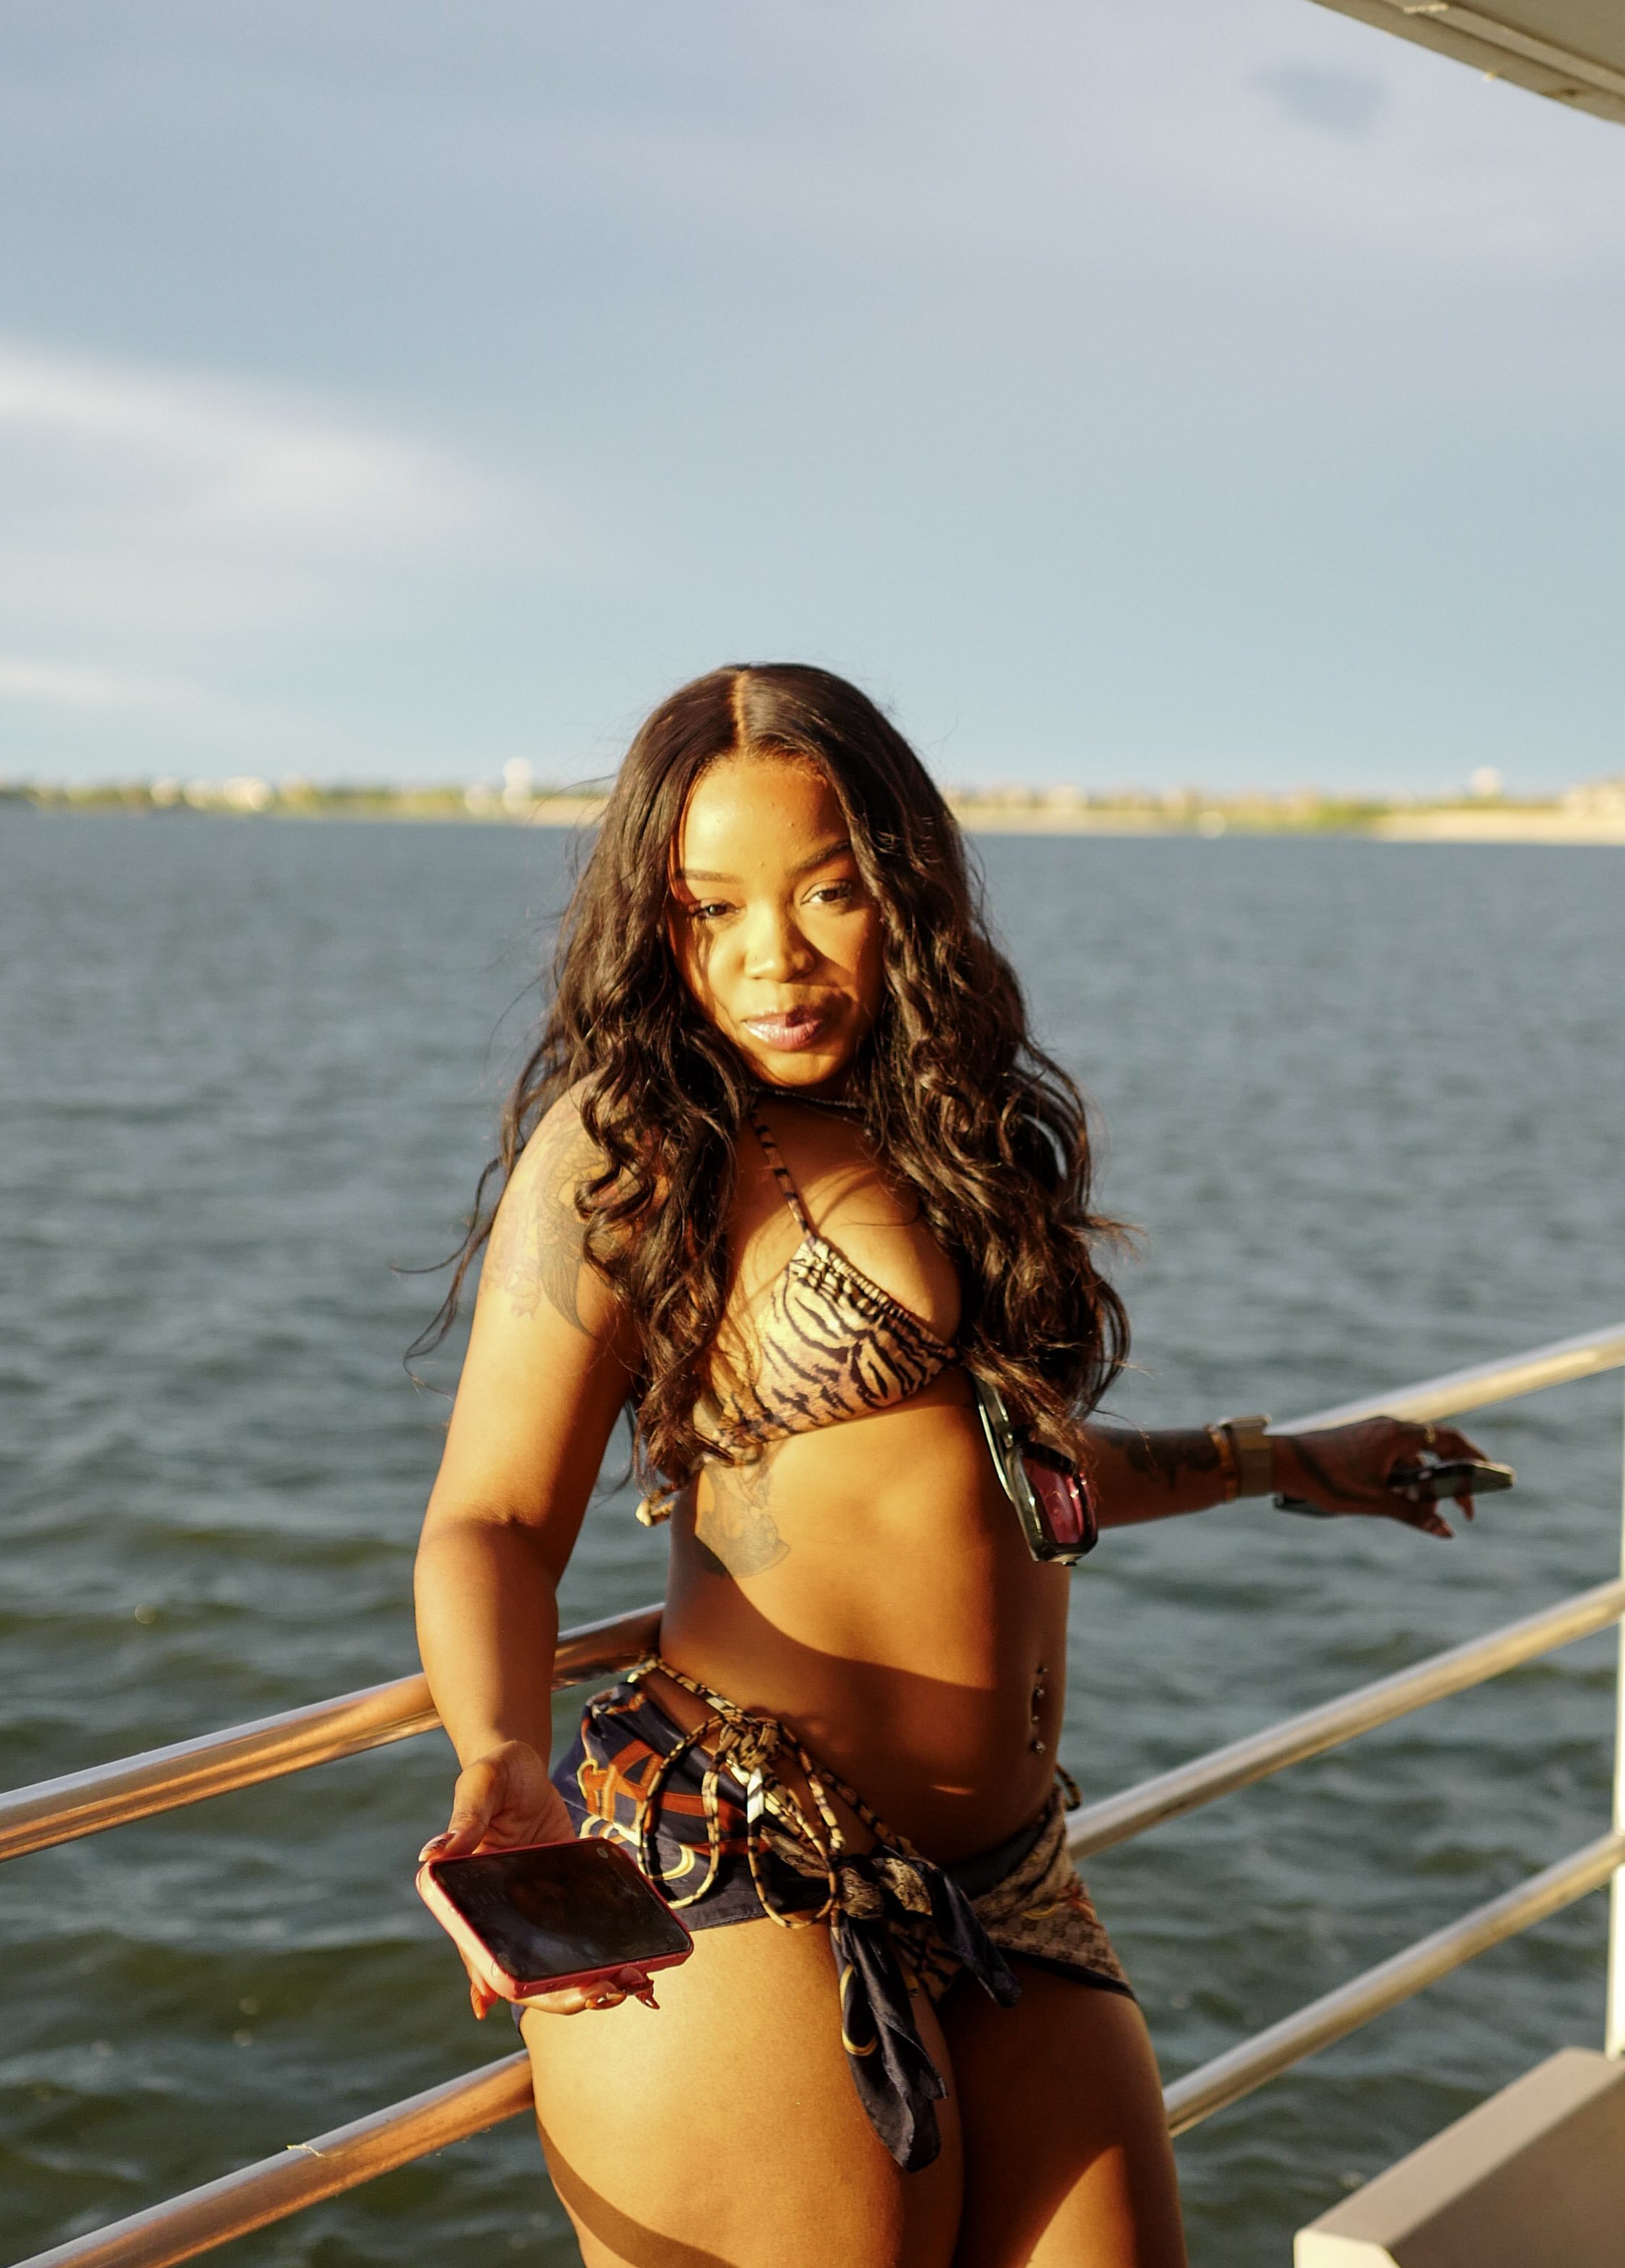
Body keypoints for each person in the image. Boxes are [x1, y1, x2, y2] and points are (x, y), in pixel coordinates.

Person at [414, 664, 1486, 2268]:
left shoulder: (954, 1124)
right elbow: (494, 1518)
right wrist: (496, 1759)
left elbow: (1000, 1469)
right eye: (709, 911)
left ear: (905, 885)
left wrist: (1279, 1461)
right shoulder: (634, 1149)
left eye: (827, 893)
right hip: (747, 1861)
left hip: (1009, 1879)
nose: (769, 958)